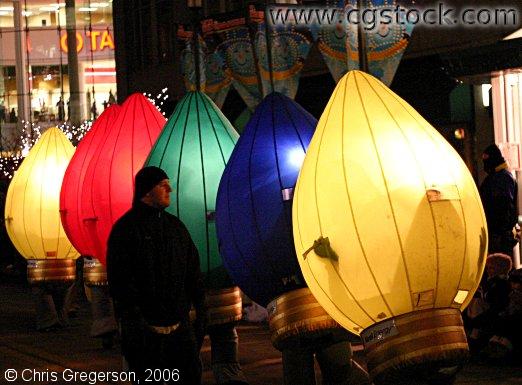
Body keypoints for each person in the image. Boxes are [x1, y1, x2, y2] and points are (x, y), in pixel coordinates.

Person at [107, 166, 206, 385]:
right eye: (163, 185)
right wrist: (136, 325)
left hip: (180, 333)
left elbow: (193, 273)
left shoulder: (176, 228)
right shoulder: (126, 231)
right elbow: (120, 281)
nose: (170, 189)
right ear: (147, 190)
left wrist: (199, 317)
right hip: (146, 336)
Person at [479, 144, 518, 257]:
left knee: (500, 266)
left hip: (499, 236)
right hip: (498, 234)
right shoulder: (497, 177)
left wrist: (500, 234)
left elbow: (503, 207)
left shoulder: (502, 178)